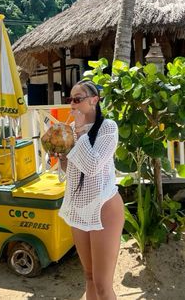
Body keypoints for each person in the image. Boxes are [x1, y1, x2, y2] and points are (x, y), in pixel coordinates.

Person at [58, 80, 124, 300]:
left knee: (103, 283)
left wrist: (78, 131)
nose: (73, 104)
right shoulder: (72, 132)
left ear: (94, 100)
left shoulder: (108, 127)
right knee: (88, 275)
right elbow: (72, 173)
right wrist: (63, 159)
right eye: (70, 100)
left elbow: (93, 167)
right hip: (80, 207)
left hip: (105, 207)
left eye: (78, 99)